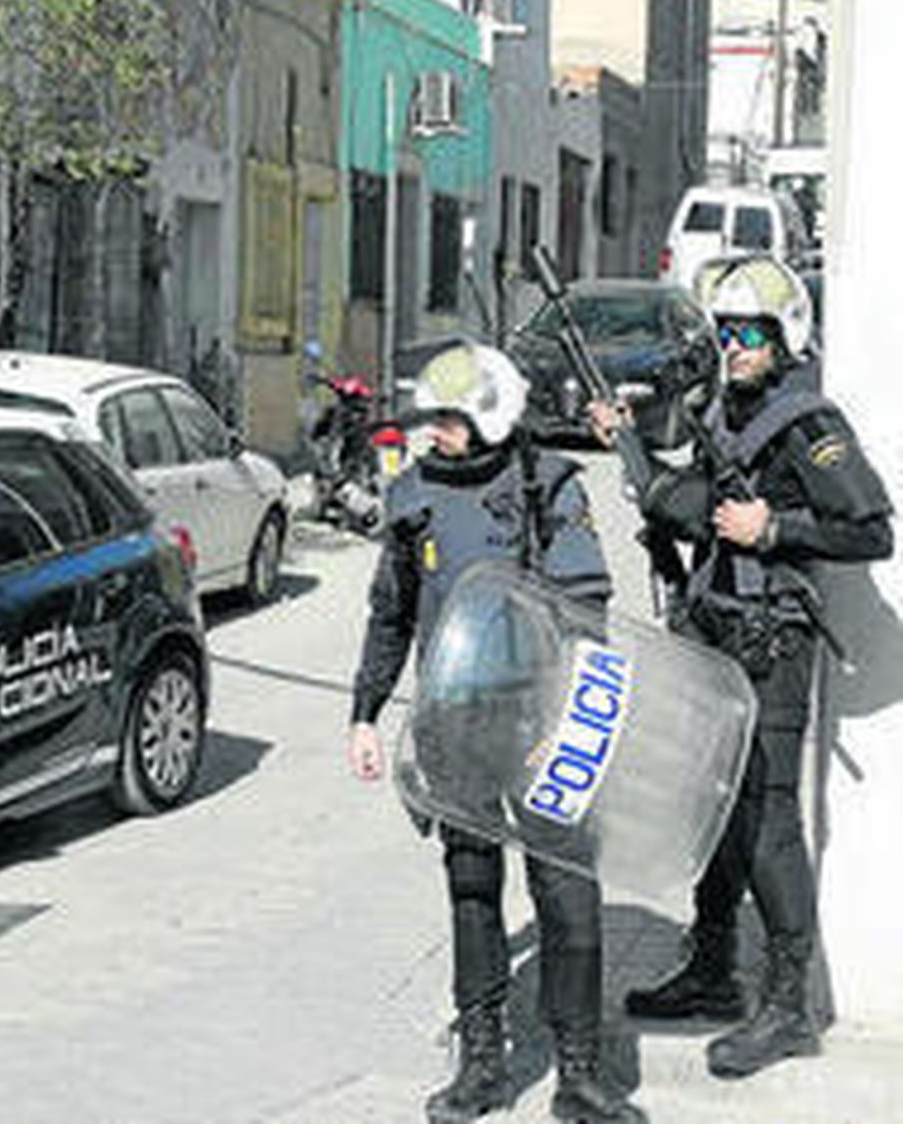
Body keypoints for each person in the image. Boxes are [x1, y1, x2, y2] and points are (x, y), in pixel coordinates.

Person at [591, 254, 893, 1079]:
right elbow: (689, 503)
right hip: (718, 631)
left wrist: (776, 530)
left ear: (786, 333)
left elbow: (874, 531)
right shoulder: (728, 410)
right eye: (728, 332)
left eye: (753, 332)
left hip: (774, 644)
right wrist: (625, 445)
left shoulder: (809, 424)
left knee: (767, 821)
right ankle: (713, 970)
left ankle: (790, 1007)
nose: (737, 345)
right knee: (716, 807)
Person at [349, 341, 645, 1124]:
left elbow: (587, 614)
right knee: (472, 888)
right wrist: (364, 713)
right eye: (433, 417)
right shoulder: (412, 498)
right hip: (456, 721)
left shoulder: (548, 485)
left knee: (566, 887)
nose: (434, 432)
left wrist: (576, 723)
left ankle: (581, 1074)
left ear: (491, 416)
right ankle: (483, 1063)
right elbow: (390, 613)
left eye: (450, 418)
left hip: (544, 716)